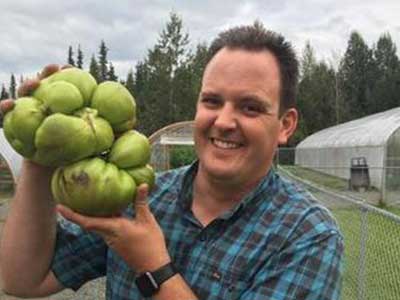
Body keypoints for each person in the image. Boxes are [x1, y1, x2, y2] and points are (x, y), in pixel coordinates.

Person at [0, 22, 343, 299]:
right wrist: (40, 151)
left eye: (250, 107)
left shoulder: (308, 236)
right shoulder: (140, 196)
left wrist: (154, 266)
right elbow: (22, 280)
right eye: (212, 101)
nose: (223, 120)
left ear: (285, 125)